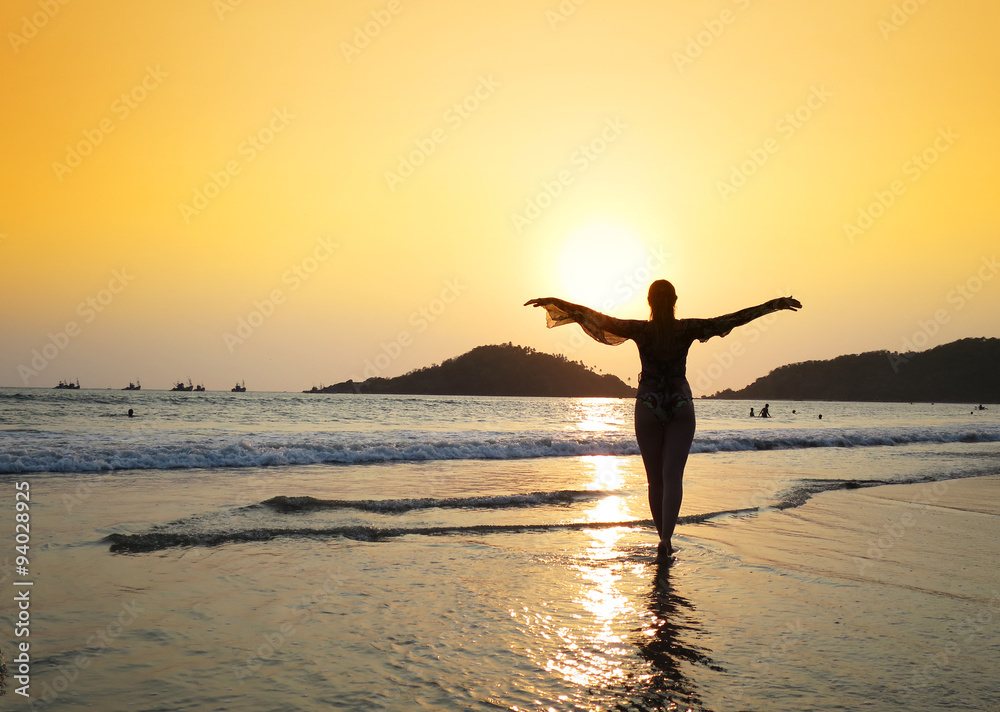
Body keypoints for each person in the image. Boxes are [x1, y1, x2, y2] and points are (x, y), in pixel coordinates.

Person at [525, 280, 801, 561]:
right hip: (680, 402)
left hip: (649, 402)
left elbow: (594, 316)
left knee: (655, 481)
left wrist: (556, 302)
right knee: (673, 478)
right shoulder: (687, 328)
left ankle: (662, 539)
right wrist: (772, 305)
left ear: (649, 302)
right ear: (675, 300)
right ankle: (667, 539)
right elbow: (731, 319)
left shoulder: (640, 330)